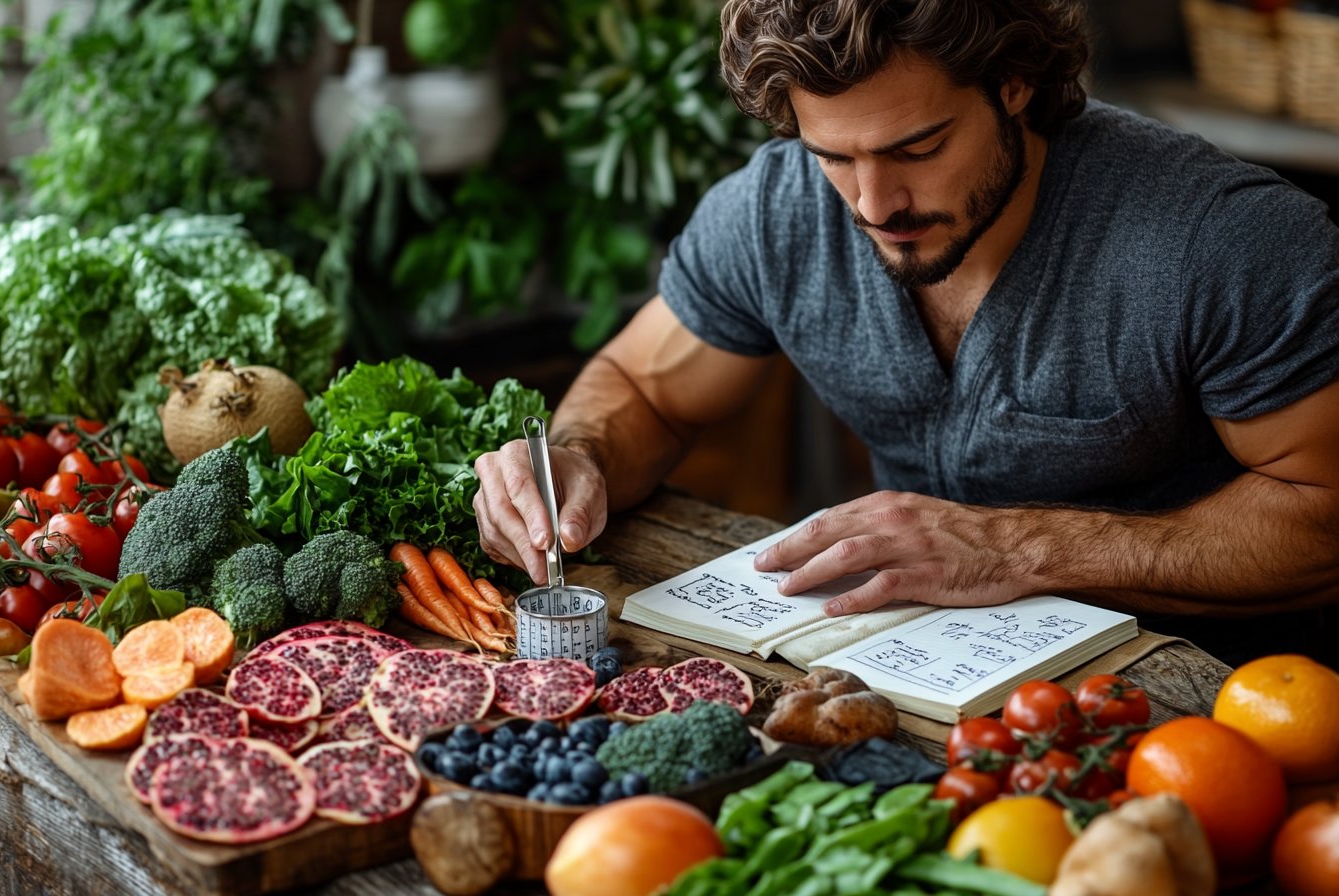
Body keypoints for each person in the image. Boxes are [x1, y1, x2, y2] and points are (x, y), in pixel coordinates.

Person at [474, 0, 1339, 666]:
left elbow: (1324, 516)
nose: (874, 206)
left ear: (1013, 83)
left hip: (1227, 703)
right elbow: (643, 388)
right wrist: (576, 459)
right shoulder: (778, 208)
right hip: (918, 686)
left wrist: (1015, 547)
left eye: (919, 148)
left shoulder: (1225, 243)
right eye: (835, 156)